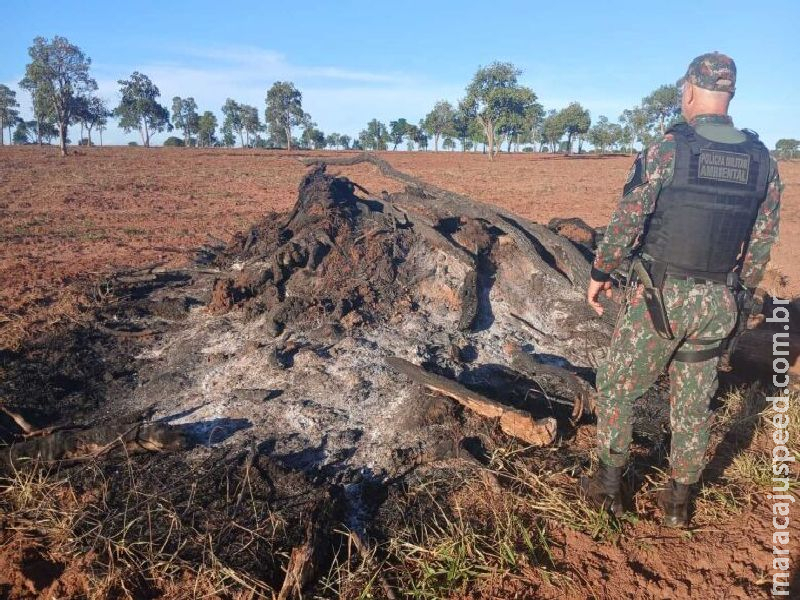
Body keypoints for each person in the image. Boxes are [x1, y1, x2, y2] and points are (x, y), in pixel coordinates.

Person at [581, 52, 782, 527]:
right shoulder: (762, 161)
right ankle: (679, 503)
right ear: (729, 94)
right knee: (693, 402)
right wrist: (741, 295)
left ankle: (608, 489)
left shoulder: (669, 149)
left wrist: (601, 271)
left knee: (616, 386)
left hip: (660, 299)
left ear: (690, 89)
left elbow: (628, 220)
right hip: (719, 302)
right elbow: (762, 240)